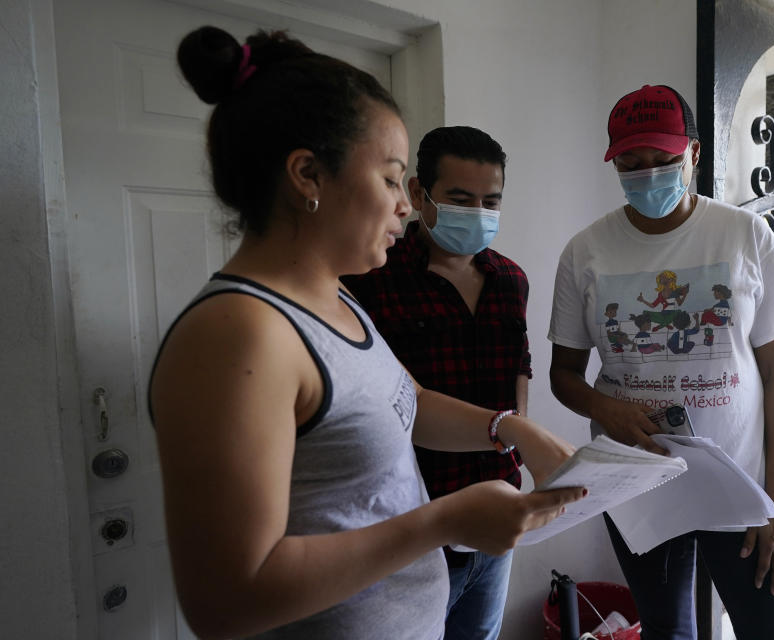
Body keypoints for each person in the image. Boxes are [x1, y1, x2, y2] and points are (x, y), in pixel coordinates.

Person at [149, 26, 586, 640]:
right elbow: (226, 601)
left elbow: (406, 402)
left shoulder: (336, 300)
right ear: (308, 176)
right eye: (389, 179)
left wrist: (508, 428)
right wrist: (442, 523)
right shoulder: (237, 335)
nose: (405, 207)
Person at [547, 84, 774, 640]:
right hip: (639, 483)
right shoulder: (585, 252)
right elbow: (563, 374)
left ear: (694, 154)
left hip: (741, 489)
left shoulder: (744, 235)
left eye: (664, 161)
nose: (648, 176)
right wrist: (608, 410)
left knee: (771, 631)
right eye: (631, 164)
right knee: (668, 632)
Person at [343, 126, 526, 640]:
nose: (479, 213)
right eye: (461, 199)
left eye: (491, 201)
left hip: (496, 513)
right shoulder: (370, 279)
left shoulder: (510, 280)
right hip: (412, 524)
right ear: (420, 194)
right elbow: (391, 401)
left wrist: (522, 447)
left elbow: (520, 366)